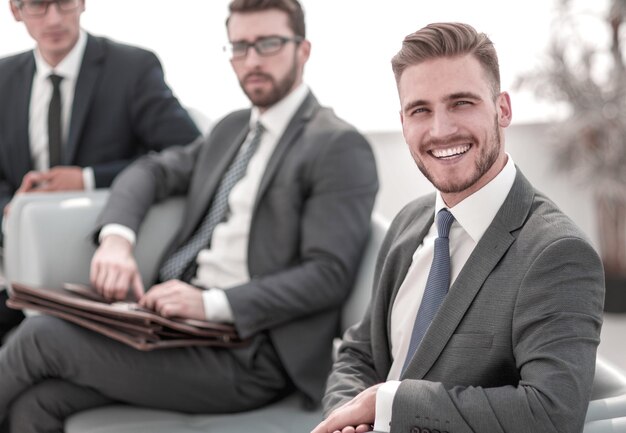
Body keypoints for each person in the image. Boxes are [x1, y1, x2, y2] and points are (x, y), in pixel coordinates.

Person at [0, 0, 379, 431]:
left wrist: (210, 303)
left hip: (249, 352)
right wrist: (117, 239)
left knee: (38, 336)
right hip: (175, 327)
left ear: (303, 49)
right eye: (239, 47)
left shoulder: (337, 145)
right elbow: (152, 169)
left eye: (268, 44)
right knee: (36, 404)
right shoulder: (232, 128)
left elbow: (327, 274)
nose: (252, 60)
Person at [313, 22, 604, 433]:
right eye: (420, 110)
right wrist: (346, 418)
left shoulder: (557, 252)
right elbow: (359, 353)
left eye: (461, 103)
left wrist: (390, 402)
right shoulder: (409, 222)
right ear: (403, 122)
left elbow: (552, 413)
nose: (440, 130)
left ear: (502, 109)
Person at [0, 0, 201, 343]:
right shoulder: (4, 78)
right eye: (37, 5)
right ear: (15, 11)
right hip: (16, 263)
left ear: (82, 3)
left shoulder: (132, 68)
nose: (54, 18)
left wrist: (88, 178)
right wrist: (10, 207)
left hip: (96, 266)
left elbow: (191, 152)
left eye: (64, 2)